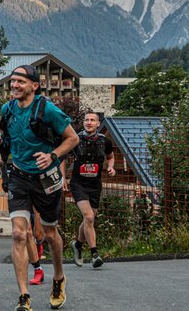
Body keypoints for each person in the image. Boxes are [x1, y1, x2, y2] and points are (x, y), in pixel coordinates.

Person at [0, 65, 79, 311]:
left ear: (34, 85)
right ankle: (24, 296)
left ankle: (59, 277)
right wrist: (1, 158)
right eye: (12, 81)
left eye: (20, 81)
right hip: (18, 176)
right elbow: (9, 138)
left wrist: (53, 155)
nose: (15, 85)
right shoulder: (7, 110)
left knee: (50, 234)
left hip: (46, 177)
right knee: (19, 233)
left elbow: (73, 138)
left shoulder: (48, 110)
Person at [69, 111, 115, 269]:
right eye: (86, 120)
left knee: (90, 218)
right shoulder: (75, 139)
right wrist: (62, 178)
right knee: (88, 216)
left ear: (98, 124)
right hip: (78, 183)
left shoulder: (104, 141)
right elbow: (62, 158)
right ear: (83, 123)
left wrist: (110, 167)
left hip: (95, 184)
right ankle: (95, 254)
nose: (89, 122)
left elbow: (110, 156)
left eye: (92, 120)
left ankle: (78, 244)